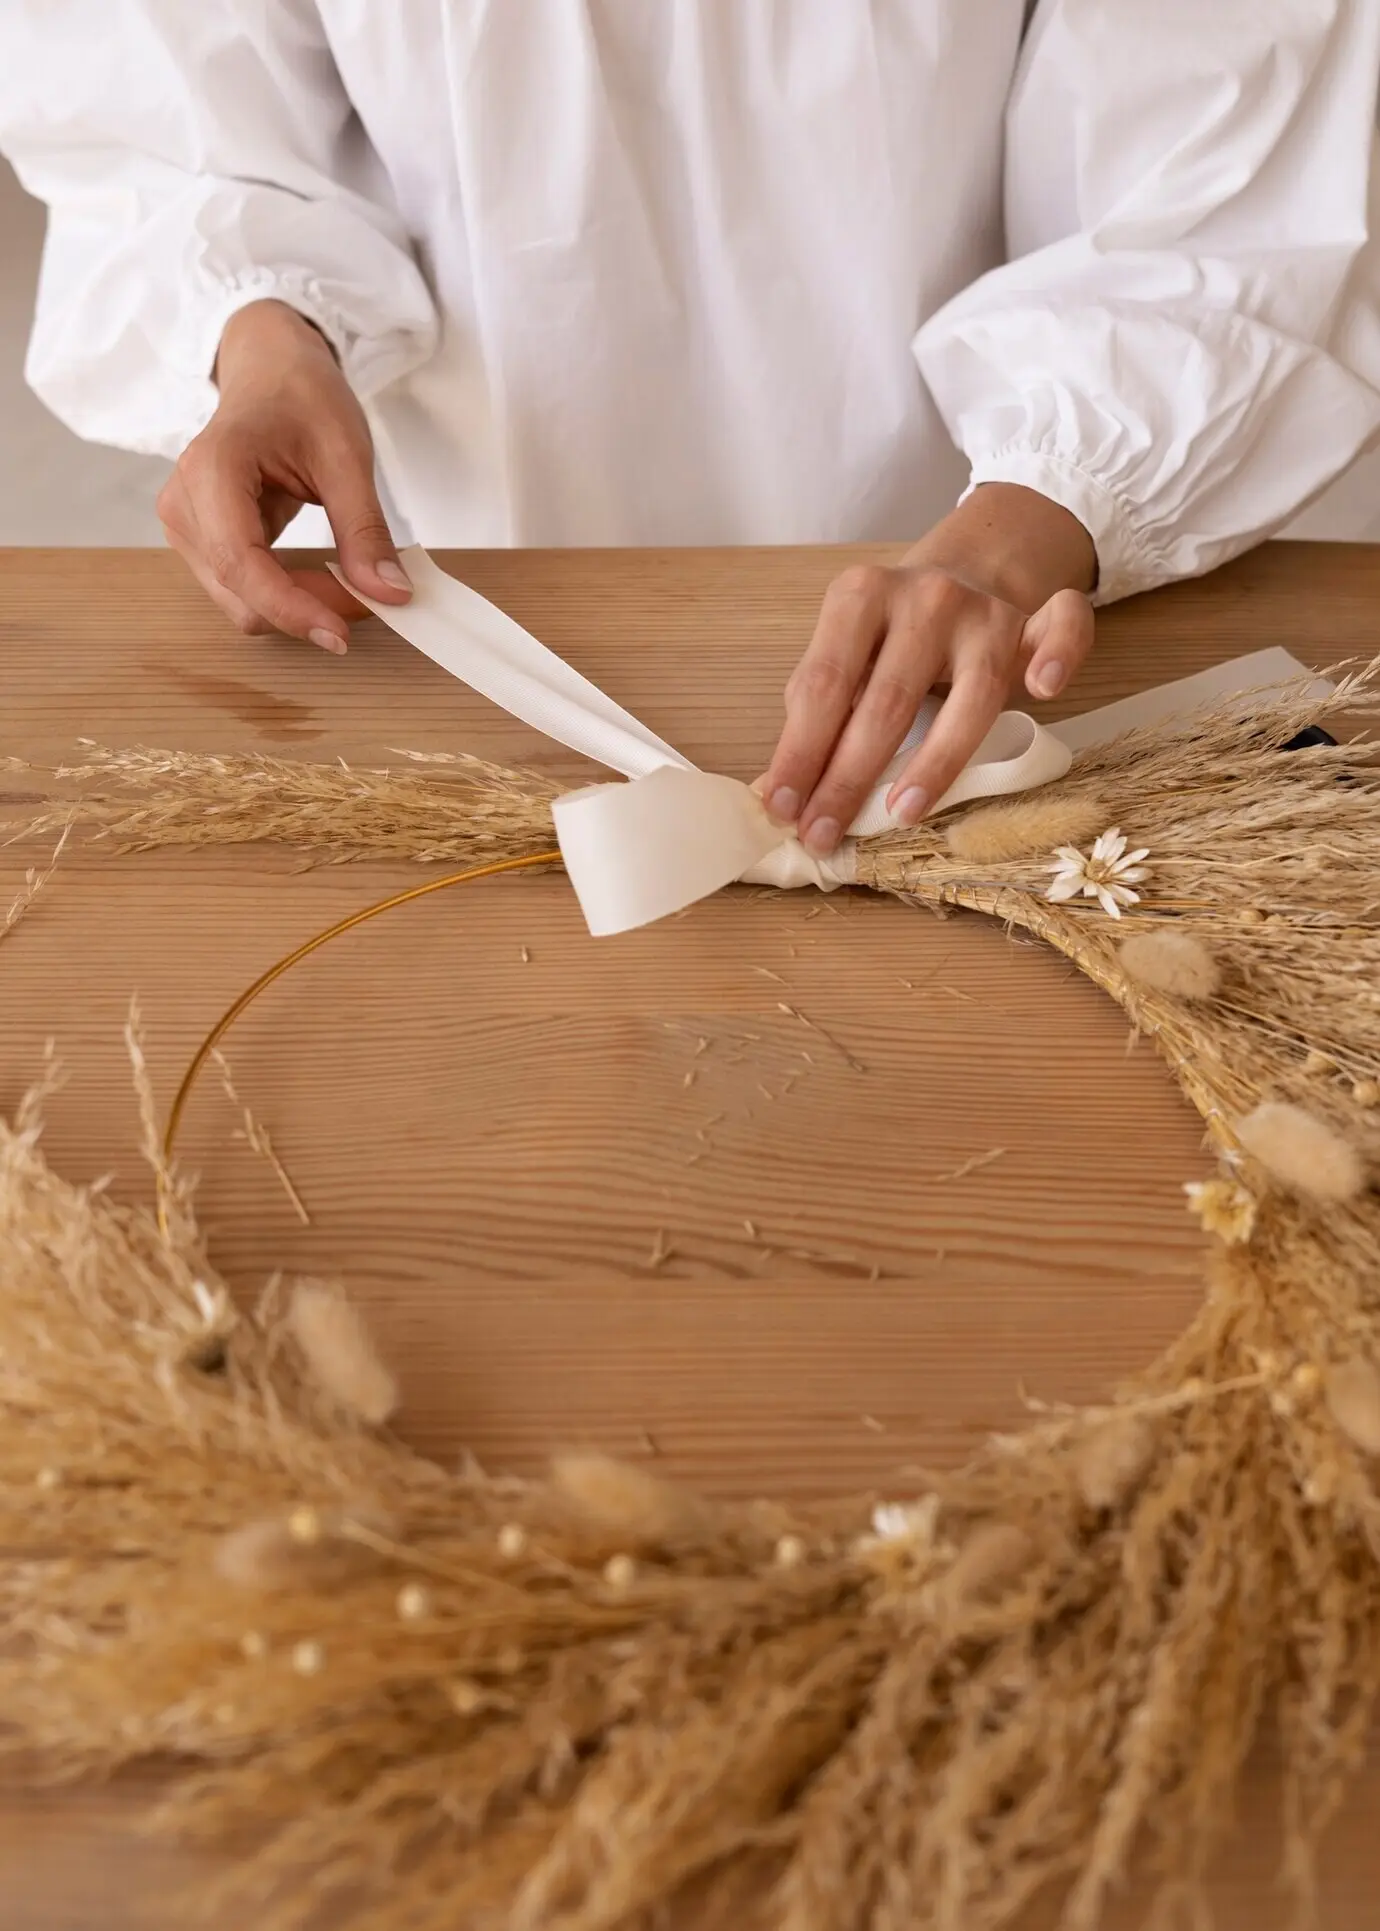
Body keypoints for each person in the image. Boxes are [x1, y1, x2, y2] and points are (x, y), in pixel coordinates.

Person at [3, 4, 1379, 859]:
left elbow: (1219, 146)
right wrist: (261, 338)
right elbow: (170, 87)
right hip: (471, 595)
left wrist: (1039, 513)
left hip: (989, 603)